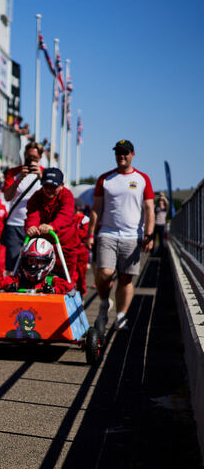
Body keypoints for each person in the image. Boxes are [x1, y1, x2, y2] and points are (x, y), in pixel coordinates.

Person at [87, 140, 155, 331]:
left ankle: (121, 316)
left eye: (125, 153)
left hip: (132, 236)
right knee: (105, 273)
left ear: (133, 154)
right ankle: (103, 302)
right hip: (108, 233)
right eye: (118, 153)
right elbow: (96, 208)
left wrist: (148, 235)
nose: (121, 156)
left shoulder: (143, 179)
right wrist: (90, 234)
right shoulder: (105, 179)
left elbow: (149, 208)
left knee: (125, 279)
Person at [24, 167, 78, 282]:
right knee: (35, 272)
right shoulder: (36, 197)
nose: (49, 190)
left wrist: (52, 226)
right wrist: (31, 227)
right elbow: (32, 215)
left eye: (53, 187)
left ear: (62, 185)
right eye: (46, 186)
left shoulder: (67, 196)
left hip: (64, 244)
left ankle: (68, 291)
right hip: (42, 246)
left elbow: (65, 215)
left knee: (67, 276)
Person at [1, 142, 44, 273]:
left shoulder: (45, 174)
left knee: (35, 263)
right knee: (13, 264)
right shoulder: (13, 172)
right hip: (15, 224)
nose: (31, 161)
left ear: (40, 158)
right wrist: (19, 179)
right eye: (29, 157)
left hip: (36, 225)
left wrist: (41, 178)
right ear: (24, 155)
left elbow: (51, 197)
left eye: (34, 158)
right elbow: (7, 196)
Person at [0, 238, 75, 295]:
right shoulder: (20, 278)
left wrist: (53, 290)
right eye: (31, 261)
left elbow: (69, 287)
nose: (33, 265)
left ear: (48, 262)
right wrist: (8, 287)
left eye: (38, 261)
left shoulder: (50, 280)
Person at [72, 201, 91, 295]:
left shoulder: (84, 219)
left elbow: (84, 234)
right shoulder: (68, 218)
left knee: (81, 274)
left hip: (81, 251)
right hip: (71, 250)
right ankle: (73, 294)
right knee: (72, 274)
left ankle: (81, 293)